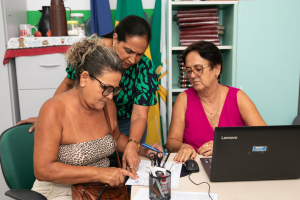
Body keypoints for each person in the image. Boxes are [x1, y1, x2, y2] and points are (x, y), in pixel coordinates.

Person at [17, 15, 159, 174]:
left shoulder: (143, 68)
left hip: (125, 122)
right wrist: (49, 119)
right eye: (128, 51)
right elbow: (67, 84)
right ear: (115, 38)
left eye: (139, 54)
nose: (133, 60)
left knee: (125, 171)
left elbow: (139, 115)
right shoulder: (88, 54)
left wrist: (136, 146)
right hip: (88, 116)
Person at [31, 38, 161, 200]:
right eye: (106, 88)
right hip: (59, 191)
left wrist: (142, 149)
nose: (110, 95)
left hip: (99, 190)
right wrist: (99, 173)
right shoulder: (53, 109)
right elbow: (43, 170)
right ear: (84, 78)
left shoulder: (107, 105)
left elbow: (116, 137)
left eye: (115, 89)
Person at [165, 41, 267, 163]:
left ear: (216, 69)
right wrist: (182, 146)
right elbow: (171, 141)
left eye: (198, 69)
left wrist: (224, 146)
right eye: (188, 70)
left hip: (233, 163)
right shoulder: (183, 99)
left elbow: (264, 136)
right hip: (194, 169)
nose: (192, 75)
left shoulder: (238, 97)